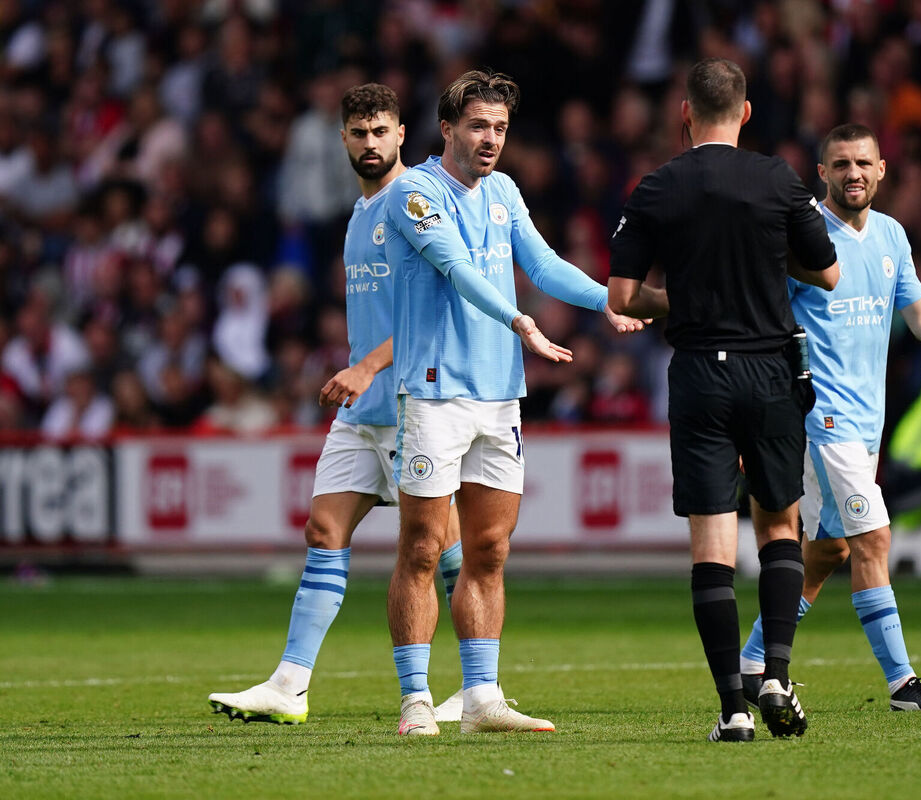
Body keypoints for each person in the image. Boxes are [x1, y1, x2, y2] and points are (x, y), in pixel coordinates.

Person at [383, 69, 649, 736]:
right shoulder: (415, 192)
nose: (491, 139)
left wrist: (609, 302)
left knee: (490, 550)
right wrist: (522, 322)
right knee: (420, 548)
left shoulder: (502, 191)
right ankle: (416, 698)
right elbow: (456, 266)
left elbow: (547, 264)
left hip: (500, 398)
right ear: (447, 129)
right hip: (435, 394)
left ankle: (481, 699)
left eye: (500, 128)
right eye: (478, 126)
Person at [738, 123, 921, 711]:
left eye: (863, 163)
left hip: (866, 421)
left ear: (881, 171)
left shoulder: (892, 237)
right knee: (873, 537)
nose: (853, 173)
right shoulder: (803, 239)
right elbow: (764, 329)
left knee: (828, 550)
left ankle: (754, 658)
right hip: (822, 419)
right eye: (841, 164)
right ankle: (902, 682)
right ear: (821, 174)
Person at [208, 84, 464, 724]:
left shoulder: (411, 200)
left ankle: (469, 688)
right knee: (324, 531)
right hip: (362, 412)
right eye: (359, 133)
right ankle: (289, 684)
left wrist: (366, 367)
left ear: (403, 134)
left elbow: (440, 305)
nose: (370, 143)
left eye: (381, 131)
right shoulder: (359, 212)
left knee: (443, 554)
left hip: (410, 401)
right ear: (343, 139)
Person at [608, 58, 841, 743]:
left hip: (701, 375)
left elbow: (622, 298)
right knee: (777, 529)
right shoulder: (778, 179)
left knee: (711, 545)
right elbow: (825, 272)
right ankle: (775, 672)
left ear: (684, 113)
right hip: (771, 371)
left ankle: (733, 710)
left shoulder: (657, 187)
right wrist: (767, 259)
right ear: (744, 113)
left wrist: (675, 299)